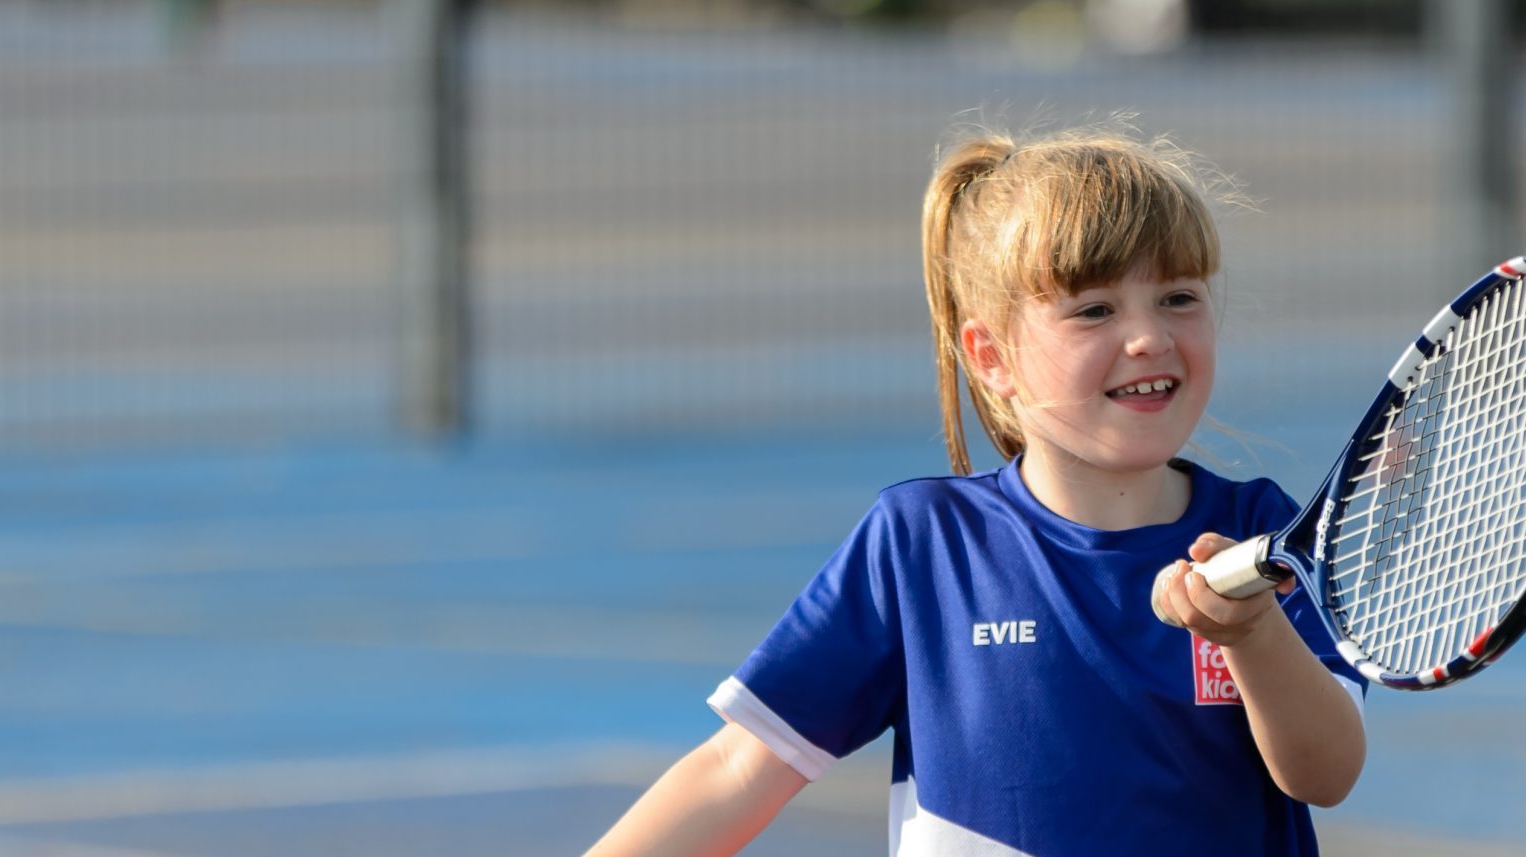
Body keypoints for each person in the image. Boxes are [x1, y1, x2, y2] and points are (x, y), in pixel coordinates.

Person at [582, 120, 1367, 857]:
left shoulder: (1265, 538)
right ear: (991, 358)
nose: (1149, 337)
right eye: (1094, 309)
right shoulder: (923, 545)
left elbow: (1325, 774)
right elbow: (739, 767)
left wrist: (1253, 634)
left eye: (1179, 297)